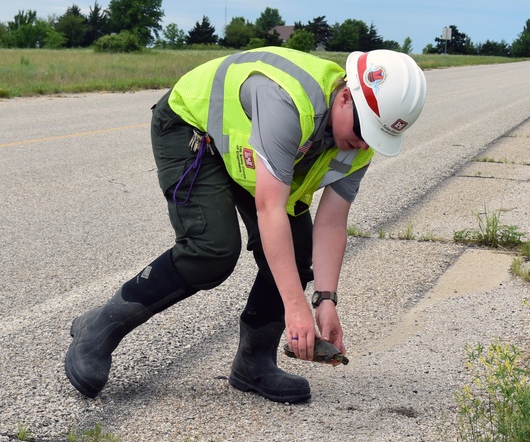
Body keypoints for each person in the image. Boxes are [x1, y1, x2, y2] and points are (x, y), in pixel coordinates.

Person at [65, 47, 427, 403]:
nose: (364, 144)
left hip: (250, 154)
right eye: (364, 129)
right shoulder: (286, 101)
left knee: (296, 251)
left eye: (377, 137)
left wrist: (325, 300)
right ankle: (98, 327)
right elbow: (271, 208)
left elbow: (332, 223)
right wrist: (294, 305)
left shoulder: (359, 142)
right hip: (193, 128)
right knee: (211, 249)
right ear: (346, 97)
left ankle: (254, 363)